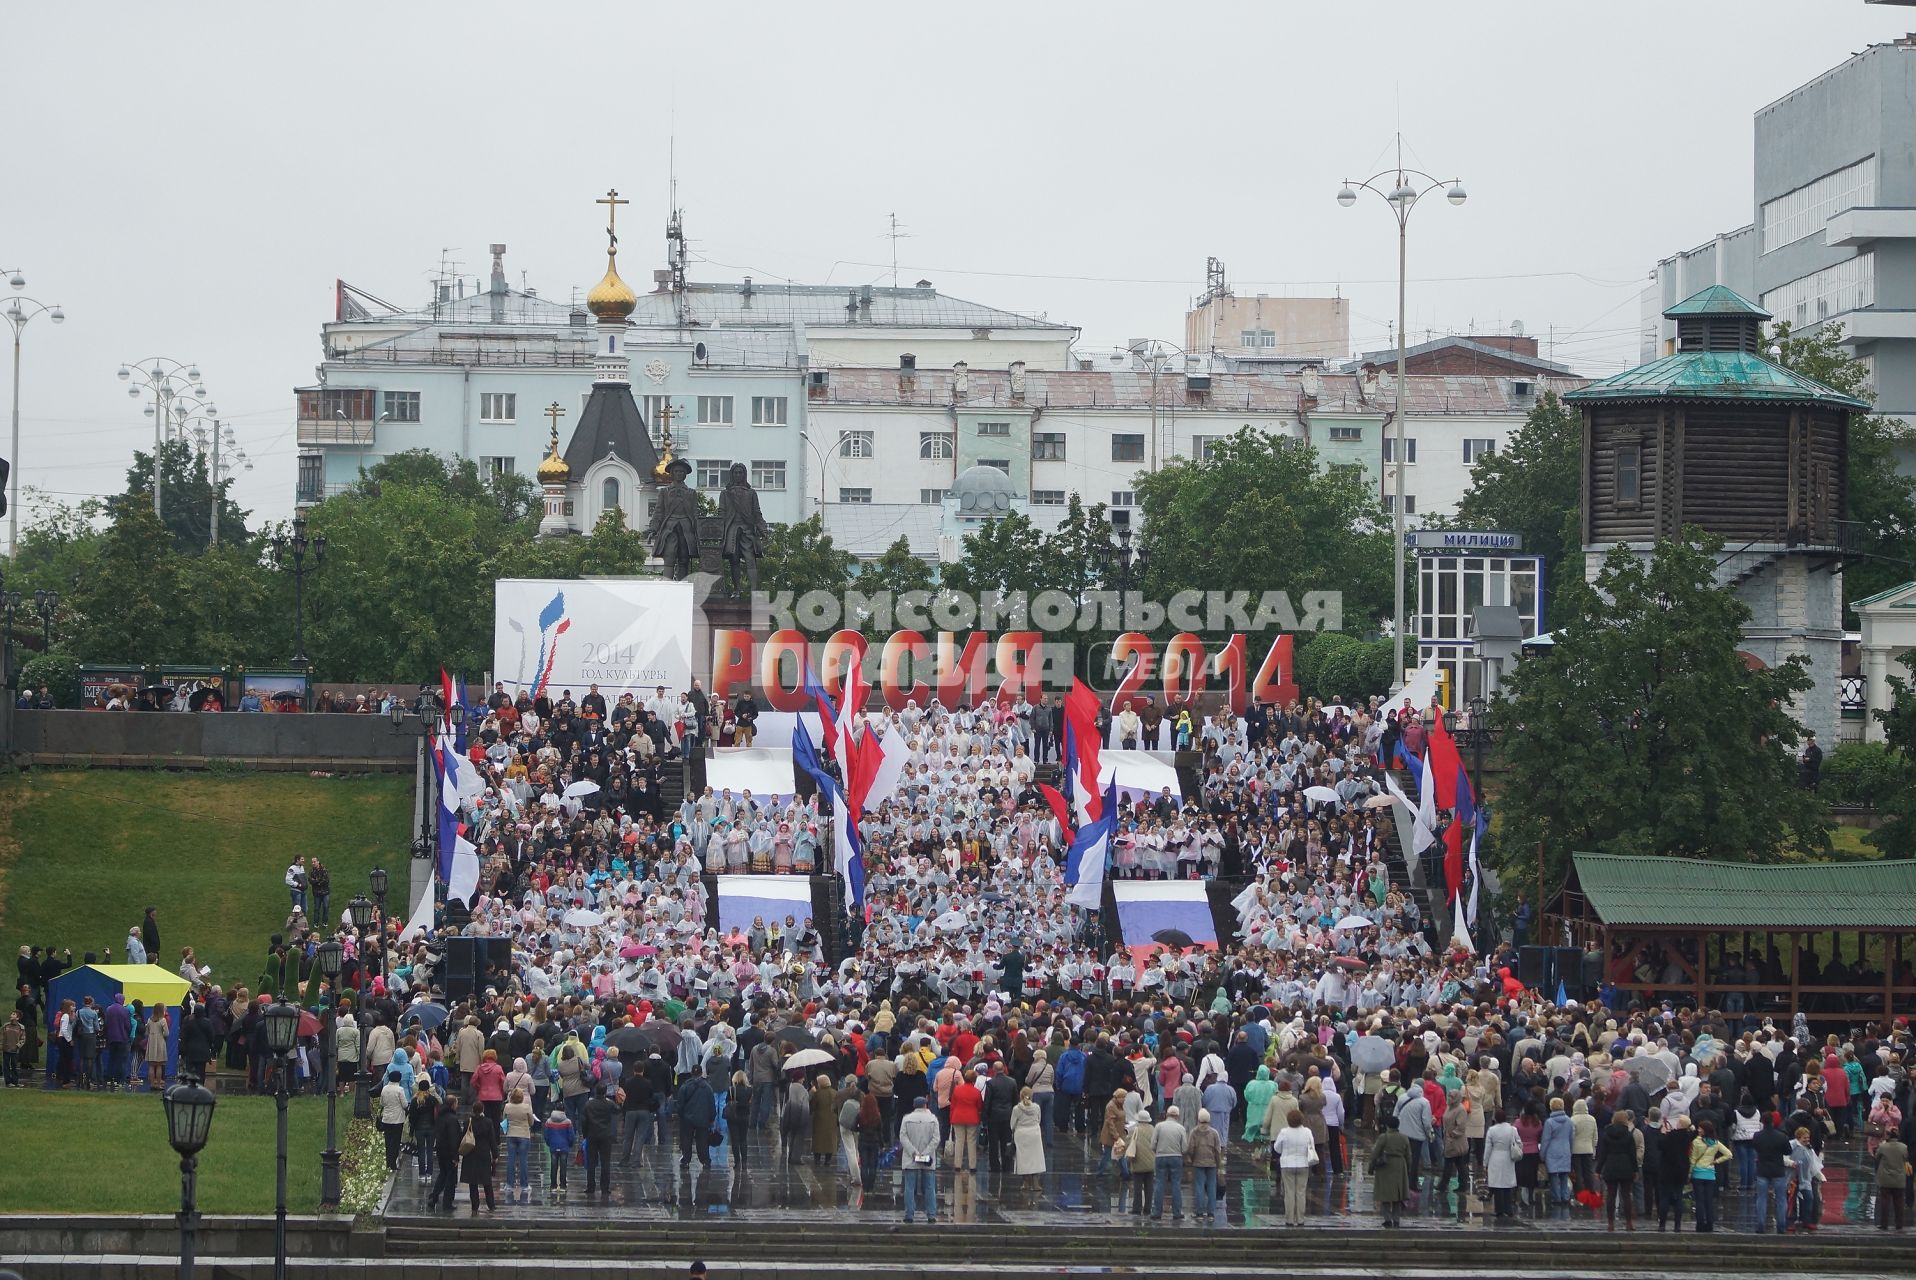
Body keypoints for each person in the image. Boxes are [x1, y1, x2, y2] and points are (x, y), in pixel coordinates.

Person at [1750, 1109, 1794, 1233]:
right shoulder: (1781, 1136)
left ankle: (1761, 1226)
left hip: (1762, 1169)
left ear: (1762, 1121)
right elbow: (1788, 1151)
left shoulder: (1757, 1136)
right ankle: (1781, 1226)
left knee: (1761, 1199)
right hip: (1778, 1170)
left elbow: (1755, 1148)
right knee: (1781, 1199)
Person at [1368, 1113, 1412, 1228]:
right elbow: (1409, 1155)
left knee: (1385, 1195)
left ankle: (1387, 1219)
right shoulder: (1404, 1137)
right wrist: (1408, 1168)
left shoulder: (1384, 1137)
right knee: (1398, 1196)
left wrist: (1371, 1167)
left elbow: (1375, 1153)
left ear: (1387, 1126)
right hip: (1400, 1166)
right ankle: (1396, 1220)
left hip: (1385, 1166)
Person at [1598, 1109, 1639, 1232]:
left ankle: (1610, 1224)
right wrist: (1635, 1170)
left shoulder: (1606, 1134)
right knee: (1626, 1195)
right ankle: (1629, 1223)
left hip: (1610, 1165)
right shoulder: (1628, 1135)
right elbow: (1633, 1154)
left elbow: (1603, 1154)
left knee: (1611, 1195)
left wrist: (1598, 1169)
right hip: (1626, 1166)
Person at [901, 1096, 940, 1223]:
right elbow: (936, 1139)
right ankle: (931, 1214)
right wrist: (924, 1154)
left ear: (914, 1106)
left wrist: (914, 1153)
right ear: (925, 1105)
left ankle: (909, 1214)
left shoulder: (906, 1119)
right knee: (929, 1187)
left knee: (909, 1187)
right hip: (927, 1158)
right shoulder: (933, 1119)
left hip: (910, 1158)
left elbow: (903, 1137)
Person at [1688, 1119, 1731, 1233]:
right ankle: (1710, 1224)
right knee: (1709, 1201)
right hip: (1710, 1175)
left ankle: (1700, 1224)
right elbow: (1728, 1154)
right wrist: (1716, 1161)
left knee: (1699, 1201)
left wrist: (1689, 1173)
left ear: (1704, 1130)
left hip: (1698, 1174)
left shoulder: (1696, 1142)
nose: (1698, 1129)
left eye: (1700, 1128)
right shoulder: (1716, 1143)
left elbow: (1692, 1159)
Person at [461, 1103, 499, 1216]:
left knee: (473, 1182)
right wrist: (495, 1155)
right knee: (486, 1181)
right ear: (482, 1110)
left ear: (473, 1110)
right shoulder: (488, 1122)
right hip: (484, 1153)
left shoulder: (468, 1122)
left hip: (471, 1152)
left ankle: (474, 1206)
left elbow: (463, 1136)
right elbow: (492, 1139)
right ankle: (491, 1204)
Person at [675, 1070, 717, 1170]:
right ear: (701, 1073)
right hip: (703, 1119)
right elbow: (712, 1104)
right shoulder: (707, 1087)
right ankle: (705, 1161)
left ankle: (686, 1160)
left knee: (686, 1140)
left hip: (687, 1119)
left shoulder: (685, 1086)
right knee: (702, 1141)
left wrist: (681, 1115)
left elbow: (680, 1104)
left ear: (691, 1073)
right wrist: (712, 1118)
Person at [1484, 1109, 1522, 1220]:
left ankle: (1499, 1210)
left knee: (1497, 1185)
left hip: (1495, 1157)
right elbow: (1519, 1142)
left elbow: (1488, 1148)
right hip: (1508, 1158)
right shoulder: (1512, 1129)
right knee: (1507, 1184)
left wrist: (1485, 1163)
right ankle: (1508, 1209)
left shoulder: (1491, 1130)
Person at [1152, 1103, 1186, 1221]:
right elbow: (1185, 1148)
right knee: (1176, 1184)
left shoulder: (1159, 1126)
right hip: (1176, 1157)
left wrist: (1158, 1151)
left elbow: (1153, 1144)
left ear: (1167, 1114)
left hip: (1161, 1156)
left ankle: (1157, 1212)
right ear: (1177, 1116)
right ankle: (1176, 1212)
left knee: (1159, 1183)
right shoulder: (1181, 1128)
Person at [581, 1084, 617, 1197]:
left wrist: (585, 1134)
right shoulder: (609, 1104)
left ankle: (590, 1186)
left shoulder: (588, 1104)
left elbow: (584, 1121)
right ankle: (605, 1187)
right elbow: (618, 1110)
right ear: (605, 1092)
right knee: (605, 1162)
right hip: (605, 1135)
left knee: (591, 1162)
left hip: (592, 1135)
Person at [1188, 1107, 1222, 1221]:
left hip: (1198, 1162)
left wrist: (1192, 1159)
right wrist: (1218, 1164)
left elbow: (1191, 1149)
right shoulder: (1214, 1133)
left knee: (1199, 1187)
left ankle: (1199, 1212)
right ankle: (1211, 1213)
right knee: (1212, 1187)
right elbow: (1218, 1150)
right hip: (1212, 1163)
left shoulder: (1194, 1132)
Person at [503, 1087, 536, 1204]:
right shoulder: (527, 1107)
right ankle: (524, 1184)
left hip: (511, 1134)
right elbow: (531, 1122)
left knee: (511, 1160)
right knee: (523, 1161)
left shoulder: (507, 1107)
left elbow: (504, 1120)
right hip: (524, 1135)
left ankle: (509, 1184)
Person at [1877, 1130, 1910, 1231]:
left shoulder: (1883, 1147)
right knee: (1899, 1203)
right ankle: (1899, 1224)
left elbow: (1876, 1157)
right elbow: (1906, 1158)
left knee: (1885, 1203)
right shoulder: (1904, 1147)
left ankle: (1884, 1224)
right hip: (1899, 1178)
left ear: (1888, 1136)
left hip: (1885, 1178)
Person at [379, 1069, 409, 1170]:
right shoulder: (400, 1090)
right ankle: (393, 1163)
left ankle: (388, 1162)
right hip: (397, 1119)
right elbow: (404, 1104)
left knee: (388, 1141)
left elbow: (382, 1103)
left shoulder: (384, 1089)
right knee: (395, 1142)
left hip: (386, 1119)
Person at [543, 1104, 576, 1197]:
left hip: (553, 1146)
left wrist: (549, 1143)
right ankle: (563, 1185)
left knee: (553, 1166)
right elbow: (571, 1136)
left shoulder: (549, 1121)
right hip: (564, 1147)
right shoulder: (568, 1122)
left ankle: (553, 1185)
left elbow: (546, 1135)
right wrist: (570, 1144)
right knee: (563, 1166)